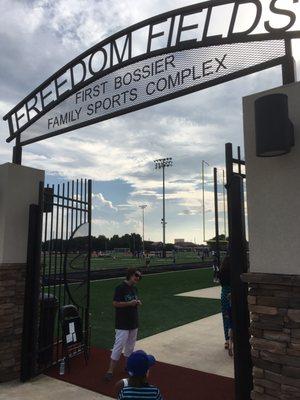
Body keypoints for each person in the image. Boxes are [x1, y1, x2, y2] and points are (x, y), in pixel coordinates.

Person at [105, 268, 142, 381]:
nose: (138, 278)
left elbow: (133, 301)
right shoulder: (120, 288)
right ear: (130, 275)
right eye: (136, 275)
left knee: (130, 346)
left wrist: (137, 302)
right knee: (119, 345)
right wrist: (129, 303)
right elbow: (115, 303)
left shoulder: (134, 289)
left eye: (140, 277)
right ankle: (110, 371)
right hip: (122, 322)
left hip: (133, 321)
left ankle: (128, 367)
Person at [217, 255, 231, 350]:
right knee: (235, 318)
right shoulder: (234, 271)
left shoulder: (221, 272)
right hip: (233, 294)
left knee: (226, 318)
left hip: (224, 295)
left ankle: (227, 340)